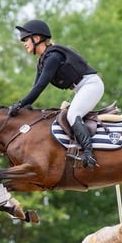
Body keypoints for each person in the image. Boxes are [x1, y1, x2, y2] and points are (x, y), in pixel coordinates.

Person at [10, 19, 104, 168]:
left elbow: (41, 86)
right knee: (64, 116)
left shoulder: (53, 57)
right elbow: (35, 87)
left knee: (73, 115)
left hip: (91, 85)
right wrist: (24, 107)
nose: (24, 43)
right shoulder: (42, 61)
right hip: (81, 88)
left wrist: (20, 104)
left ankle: (89, 155)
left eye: (26, 39)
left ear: (37, 38)